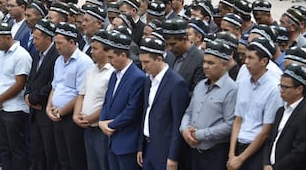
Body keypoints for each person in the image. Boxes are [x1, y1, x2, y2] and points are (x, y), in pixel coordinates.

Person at [180, 40, 237, 170]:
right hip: (193, 151)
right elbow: (189, 111)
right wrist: (184, 130)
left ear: (224, 64)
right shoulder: (200, 85)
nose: (205, 66)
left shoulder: (231, 89)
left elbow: (230, 124)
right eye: (204, 62)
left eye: (210, 63)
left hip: (214, 154)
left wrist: (200, 134)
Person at [228, 37, 282, 170]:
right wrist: (231, 154)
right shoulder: (243, 83)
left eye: (251, 58)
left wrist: (241, 158)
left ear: (264, 61)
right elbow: (238, 119)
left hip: (256, 149)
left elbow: (266, 131)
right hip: (238, 146)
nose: (246, 62)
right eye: (246, 57)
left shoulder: (274, 89)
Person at [46, 22, 94, 170]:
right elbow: (55, 87)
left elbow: (81, 94)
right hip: (56, 115)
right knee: (62, 159)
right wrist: (49, 108)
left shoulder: (84, 62)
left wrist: (61, 111)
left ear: (72, 42)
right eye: (56, 43)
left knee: (75, 159)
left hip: (71, 117)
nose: (57, 47)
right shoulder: (59, 60)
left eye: (60, 43)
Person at [137, 37, 189, 170]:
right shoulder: (148, 80)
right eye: (141, 62)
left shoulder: (176, 83)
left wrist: (173, 156)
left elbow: (178, 122)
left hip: (165, 151)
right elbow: (146, 112)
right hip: (148, 146)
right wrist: (140, 147)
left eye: (147, 62)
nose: (143, 67)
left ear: (159, 59)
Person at [99, 31, 146, 170]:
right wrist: (102, 121)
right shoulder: (114, 75)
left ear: (123, 55)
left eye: (112, 57)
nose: (109, 61)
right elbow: (107, 101)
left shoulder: (138, 77)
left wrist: (111, 124)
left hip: (127, 142)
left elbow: (132, 110)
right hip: (112, 141)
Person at [0, 22, 32, 170]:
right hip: (1, 107)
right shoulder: (2, 53)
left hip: (15, 109)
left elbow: (20, 83)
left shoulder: (22, 55)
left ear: (8, 37)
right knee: (5, 148)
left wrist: (0, 98)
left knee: (17, 150)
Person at [73, 30, 114, 170]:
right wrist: (76, 115)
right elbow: (81, 94)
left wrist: (90, 119)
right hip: (87, 128)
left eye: (95, 49)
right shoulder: (90, 70)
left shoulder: (112, 73)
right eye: (91, 48)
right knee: (91, 165)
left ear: (107, 50)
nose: (91, 51)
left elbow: (108, 104)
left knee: (103, 165)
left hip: (100, 129)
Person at [24, 19, 60, 170]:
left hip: (45, 111)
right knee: (37, 152)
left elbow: (53, 83)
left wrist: (33, 98)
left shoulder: (56, 56)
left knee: (49, 153)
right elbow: (31, 78)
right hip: (34, 111)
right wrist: (27, 95)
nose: (34, 42)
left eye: (37, 39)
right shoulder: (37, 55)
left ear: (48, 38)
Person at [263, 64, 306, 170]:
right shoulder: (281, 111)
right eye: (280, 86)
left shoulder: (303, 113)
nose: (281, 90)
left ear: (299, 89)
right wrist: (266, 163)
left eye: (285, 87)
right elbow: (270, 140)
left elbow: (300, 150)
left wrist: (276, 167)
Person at [163, 18, 205, 92]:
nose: (169, 48)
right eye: (167, 44)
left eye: (173, 44)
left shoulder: (200, 59)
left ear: (185, 39)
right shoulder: (170, 55)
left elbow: (196, 92)